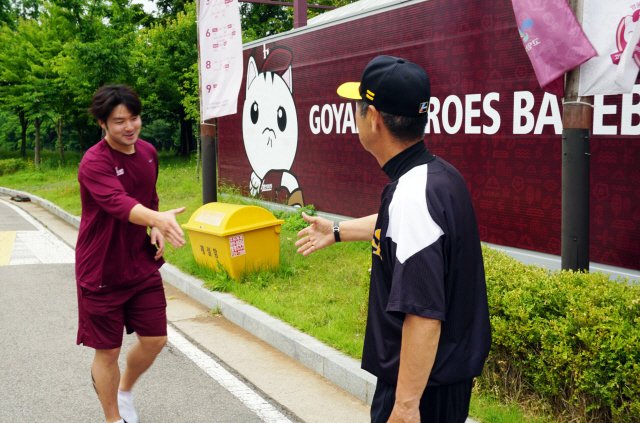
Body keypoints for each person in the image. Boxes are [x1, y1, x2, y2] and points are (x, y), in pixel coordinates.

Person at [295, 56, 491, 423]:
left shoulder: (414, 194)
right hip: (444, 381)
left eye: (358, 106)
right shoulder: (440, 176)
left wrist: (405, 406)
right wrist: (337, 231)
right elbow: (402, 229)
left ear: (374, 119)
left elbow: (423, 314)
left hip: (421, 390)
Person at [76, 85, 187, 423]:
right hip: (101, 270)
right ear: (102, 123)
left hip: (140, 263)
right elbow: (118, 203)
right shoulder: (94, 162)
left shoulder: (149, 152)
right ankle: (114, 418)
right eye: (119, 121)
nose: (129, 127)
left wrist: (154, 224)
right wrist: (157, 219)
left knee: (155, 339)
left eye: (134, 118)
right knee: (108, 351)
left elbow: (146, 195)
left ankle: (124, 391)